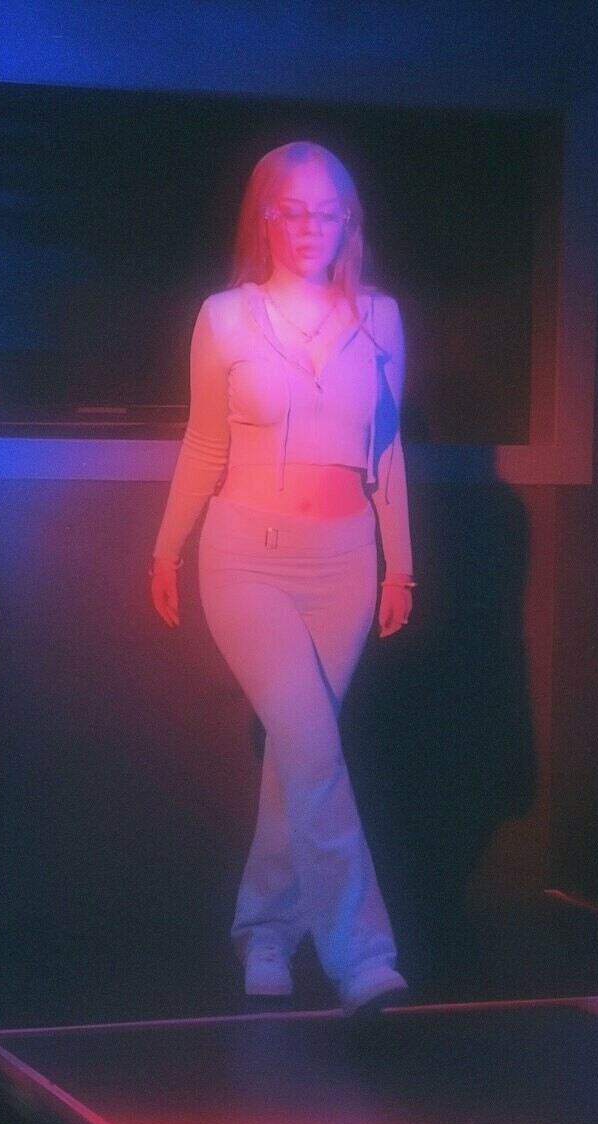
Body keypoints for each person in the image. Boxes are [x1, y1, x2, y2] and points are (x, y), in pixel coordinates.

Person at [149, 141, 416, 1016]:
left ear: (349, 221)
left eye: (326, 211)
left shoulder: (379, 318)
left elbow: (385, 451)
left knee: (295, 761)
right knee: (313, 750)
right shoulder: (226, 317)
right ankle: (362, 958)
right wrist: (165, 549)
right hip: (246, 560)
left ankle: (264, 931)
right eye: (292, 210)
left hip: (346, 564)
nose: (309, 227)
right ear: (264, 217)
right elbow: (204, 442)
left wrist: (401, 566)